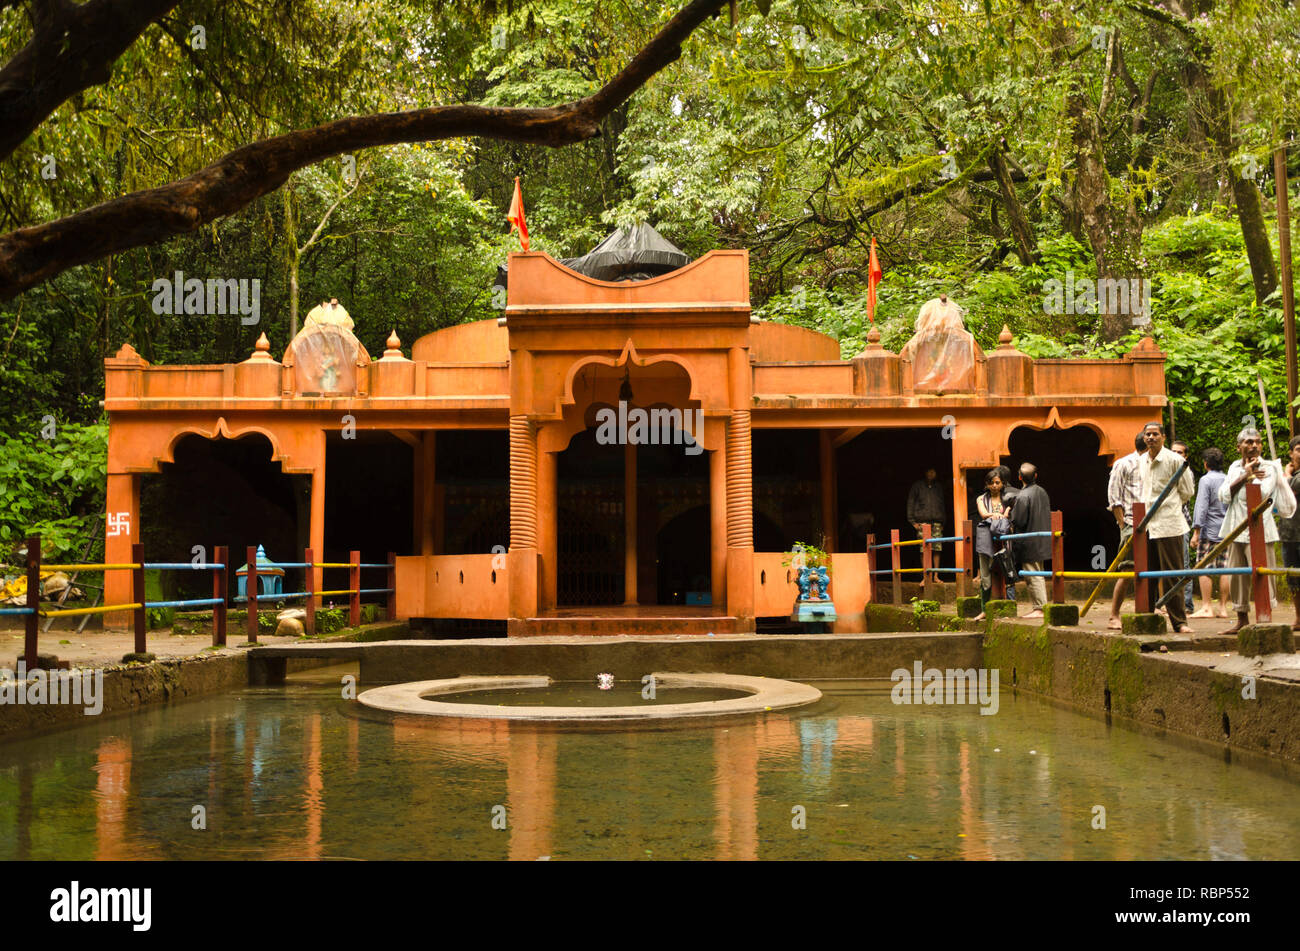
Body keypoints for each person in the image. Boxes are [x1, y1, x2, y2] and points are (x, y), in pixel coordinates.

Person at [1218, 427, 1281, 633]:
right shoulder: (1235, 467)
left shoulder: (1270, 467)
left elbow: (1262, 493)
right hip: (1236, 529)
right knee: (1237, 576)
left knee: (1264, 575)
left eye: (1257, 442)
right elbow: (1223, 496)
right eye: (1248, 442)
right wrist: (1246, 475)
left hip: (1261, 529)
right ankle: (1241, 619)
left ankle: (1265, 620)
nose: (1254, 445)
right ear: (1239, 447)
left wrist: (1250, 478)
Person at [1138, 422, 1196, 633]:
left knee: (1172, 573)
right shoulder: (1142, 460)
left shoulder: (1175, 460)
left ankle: (1179, 622)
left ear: (1163, 437)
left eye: (1155, 434)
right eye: (1148, 434)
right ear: (1144, 438)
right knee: (1148, 573)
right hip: (1147, 524)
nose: (1151, 437)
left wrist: (1169, 505)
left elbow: (1187, 491)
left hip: (1169, 523)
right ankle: (1146, 617)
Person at [1107, 433, 1148, 629]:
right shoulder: (1124, 464)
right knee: (1127, 569)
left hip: (1153, 521)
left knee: (1152, 568)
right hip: (1132, 521)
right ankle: (1114, 614)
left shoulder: (1155, 464)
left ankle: (1151, 608)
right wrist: (1123, 523)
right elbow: (1114, 497)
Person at [1190, 447, 1230, 618]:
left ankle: (1207, 606)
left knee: (1203, 567)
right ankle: (1222, 607)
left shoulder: (1206, 481)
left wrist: (1196, 532)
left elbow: (1201, 506)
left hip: (1210, 529)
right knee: (1225, 568)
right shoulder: (1229, 478)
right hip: (1227, 529)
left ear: (1206, 464)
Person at [1009, 462, 1051, 618]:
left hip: (1029, 540)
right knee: (1038, 573)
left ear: (1019, 477)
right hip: (1042, 538)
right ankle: (1040, 606)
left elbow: (1018, 520)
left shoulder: (1023, 495)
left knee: (1033, 575)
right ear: (1036, 476)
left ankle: (1040, 608)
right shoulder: (1042, 492)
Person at [973, 469, 1013, 621]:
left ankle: (1009, 606)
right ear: (987, 484)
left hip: (1003, 539)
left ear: (1002, 484)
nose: (995, 485)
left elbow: (1010, 515)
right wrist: (997, 515)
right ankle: (984, 609)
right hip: (986, 539)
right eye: (992, 483)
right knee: (985, 574)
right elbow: (983, 514)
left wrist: (1005, 513)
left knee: (1008, 571)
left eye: (998, 482)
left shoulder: (1008, 498)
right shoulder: (981, 499)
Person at [907, 467, 947, 584]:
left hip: (937, 522)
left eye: (934, 471)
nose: (931, 473)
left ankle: (936, 576)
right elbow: (911, 503)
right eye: (929, 471)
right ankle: (926, 576)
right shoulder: (917, 486)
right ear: (925, 473)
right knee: (923, 550)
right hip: (922, 523)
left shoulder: (938, 487)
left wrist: (943, 521)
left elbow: (942, 504)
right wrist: (913, 522)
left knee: (937, 549)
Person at [1171, 440, 1196, 614]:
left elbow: (1185, 497)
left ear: (1185, 456)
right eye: (1173, 452)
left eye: (1180, 452)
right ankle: (1168, 603)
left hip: (1180, 522)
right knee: (1165, 566)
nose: (1176, 455)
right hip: (1164, 524)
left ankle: (1186, 604)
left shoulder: (1187, 473)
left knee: (1184, 564)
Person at [1280, 436, 1300, 631]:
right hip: (1288, 533)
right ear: (1291, 453)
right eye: (1299, 450)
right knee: (1293, 579)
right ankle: (1298, 617)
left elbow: (1291, 486)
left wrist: (1286, 473)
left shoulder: (1289, 475)